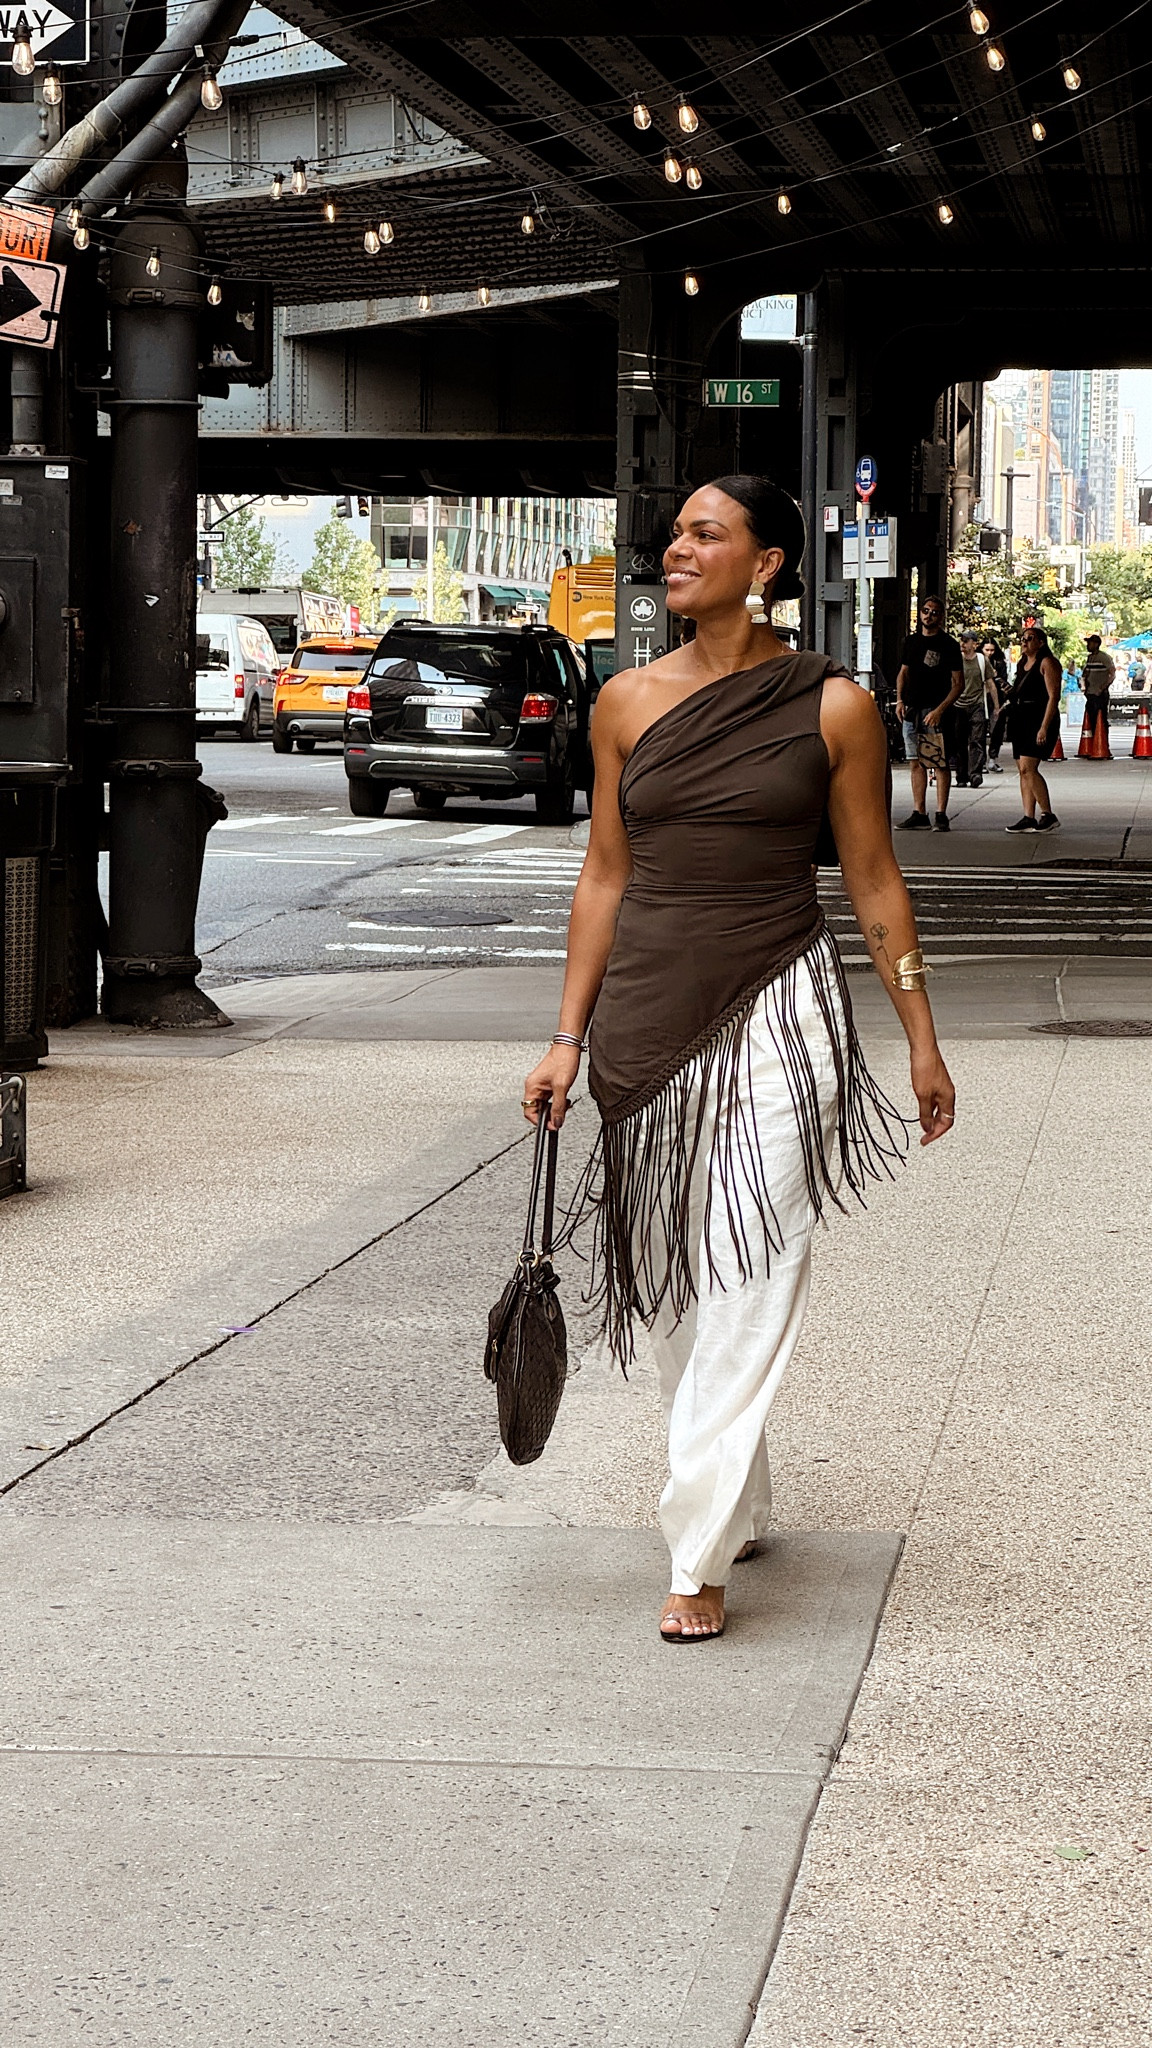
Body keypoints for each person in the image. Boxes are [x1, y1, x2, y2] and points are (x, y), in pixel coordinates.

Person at [522, 475, 955, 1644]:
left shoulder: (836, 707)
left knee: (754, 1258)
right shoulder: (622, 701)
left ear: (765, 565)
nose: (677, 550)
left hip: (779, 1004)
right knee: (676, 1273)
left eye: (704, 535)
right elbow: (604, 873)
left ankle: (698, 1544)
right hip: (646, 1018)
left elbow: (874, 879)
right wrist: (567, 1034)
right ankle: (741, 1492)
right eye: (673, 535)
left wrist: (919, 1037)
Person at [893, 596, 964, 831]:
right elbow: (903, 672)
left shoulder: (949, 645)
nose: (929, 615)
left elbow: (958, 684)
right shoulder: (911, 642)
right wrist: (900, 700)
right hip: (912, 710)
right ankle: (919, 811)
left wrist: (939, 710)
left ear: (941, 617)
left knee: (940, 763)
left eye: (934, 612)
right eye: (925, 611)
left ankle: (941, 813)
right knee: (915, 762)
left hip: (936, 712)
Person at [1005, 624, 1062, 832]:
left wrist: (1044, 727)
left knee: (1030, 768)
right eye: (1023, 638)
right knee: (1022, 770)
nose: (1024, 641)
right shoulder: (1022, 664)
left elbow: (1053, 696)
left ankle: (1047, 813)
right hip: (1021, 717)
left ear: (1040, 643)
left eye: (1030, 638)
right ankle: (1028, 815)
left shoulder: (1047, 663)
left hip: (1038, 717)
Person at [951, 630, 1000, 787]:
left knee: (977, 741)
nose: (963, 644)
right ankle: (961, 776)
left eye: (966, 641)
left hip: (977, 705)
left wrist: (996, 707)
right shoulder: (956, 660)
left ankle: (975, 775)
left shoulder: (981, 660)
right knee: (959, 743)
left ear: (974, 644)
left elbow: (990, 683)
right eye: (962, 641)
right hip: (958, 705)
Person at [1081, 634, 1115, 751]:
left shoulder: (1104, 657)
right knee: (1091, 719)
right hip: (1090, 693)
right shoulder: (1090, 658)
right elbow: (1085, 674)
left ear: (1096, 644)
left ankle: (1103, 745)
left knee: (1100, 719)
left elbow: (1112, 673)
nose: (1088, 645)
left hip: (1099, 694)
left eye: (1090, 643)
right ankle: (1093, 745)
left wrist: (1103, 687)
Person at [982, 636, 1010, 772]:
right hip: (980, 697)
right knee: (979, 731)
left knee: (996, 730)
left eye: (992, 650)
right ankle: (980, 761)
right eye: (987, 650)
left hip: (996, 699)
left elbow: (1003, 681)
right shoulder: (976, 661)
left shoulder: (999, 663)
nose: (989, 652)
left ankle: (992, 758)